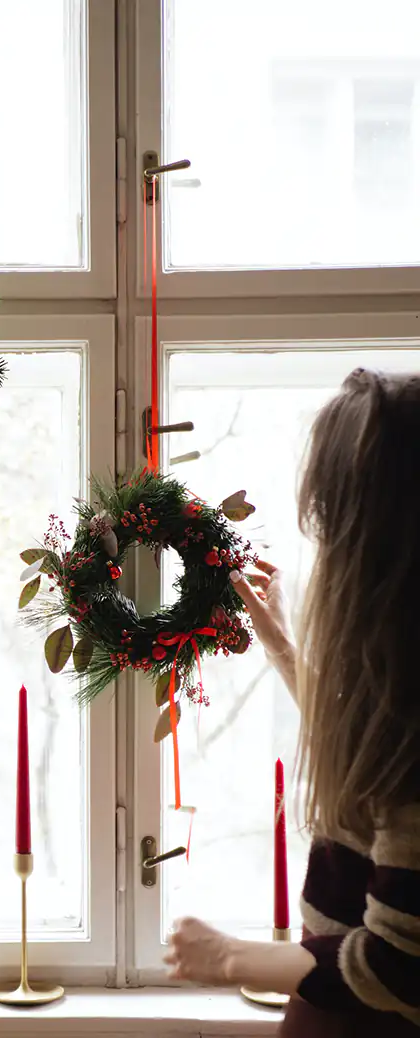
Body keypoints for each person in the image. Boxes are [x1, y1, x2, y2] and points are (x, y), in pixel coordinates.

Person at [164, 368, 420, 1035]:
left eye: (332, 525)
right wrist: (281, 645)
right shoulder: (402, 686)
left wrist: (228, 957)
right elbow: (379, 750)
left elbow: (400, 966)